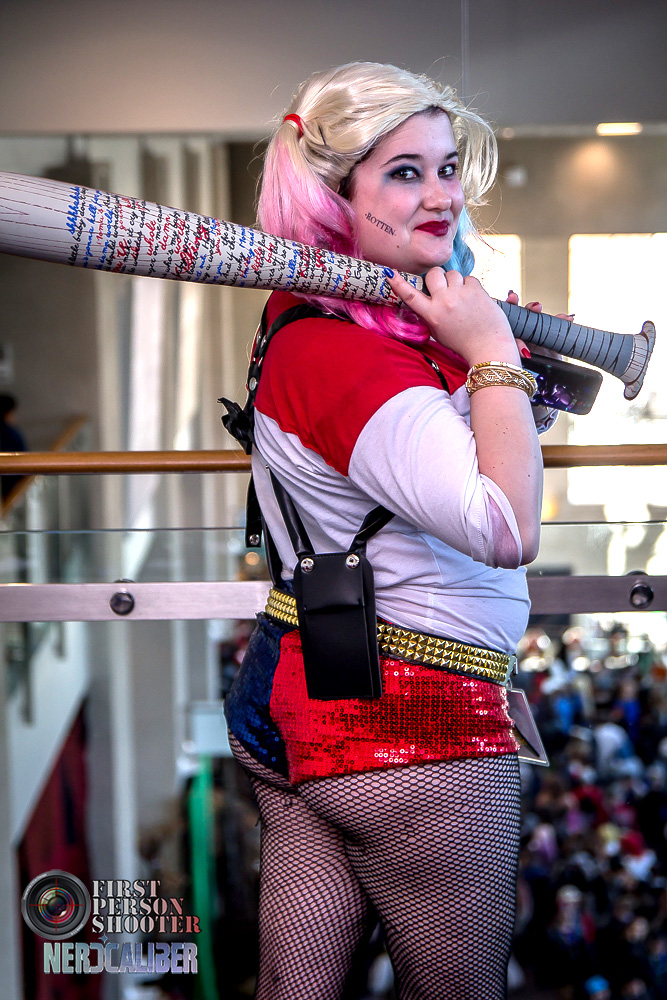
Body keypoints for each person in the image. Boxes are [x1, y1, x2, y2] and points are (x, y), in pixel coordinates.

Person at [224, 61, 557, 1000]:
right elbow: (503, 526)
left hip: (309, 687)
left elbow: (430, 462)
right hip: (411, 721)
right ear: (330, 196)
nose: (442, 196)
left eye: (446, 168)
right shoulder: (342, 354)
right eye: (404, 173)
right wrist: (492, 353)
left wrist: (498, 375)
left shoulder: (335, 320)